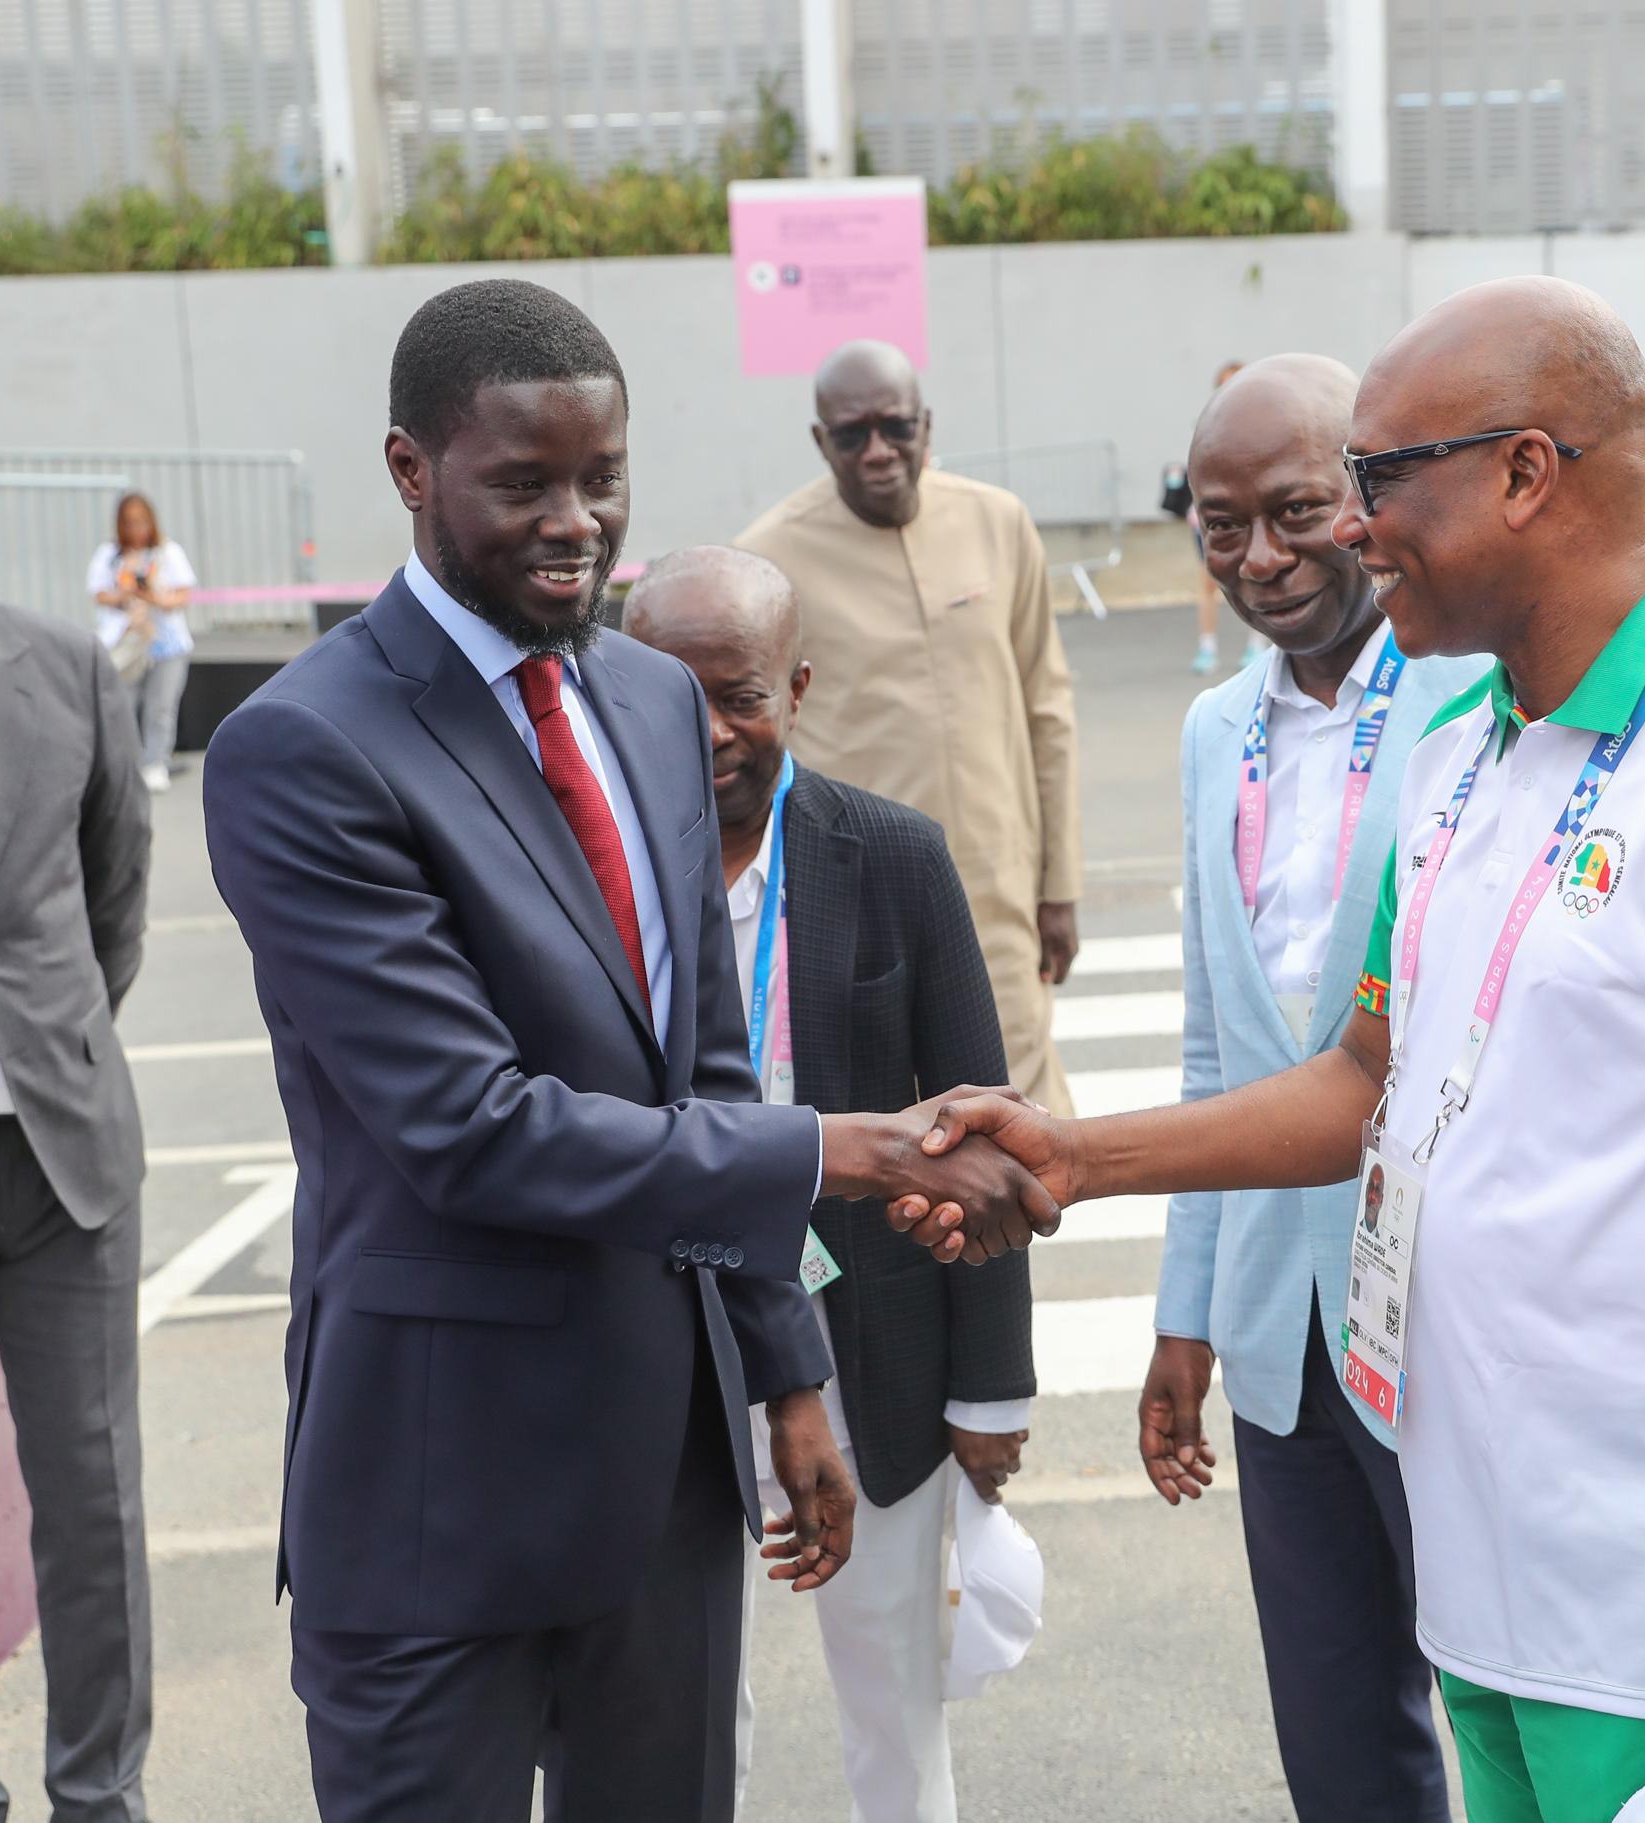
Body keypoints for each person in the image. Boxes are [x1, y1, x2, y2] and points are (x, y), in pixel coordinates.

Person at [898, 277, 1645, 1823]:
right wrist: (1080, 1155)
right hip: (1496, 1580)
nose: (1355, 527)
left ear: (1530, 473)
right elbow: (1365, 1079)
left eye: (1381, 480)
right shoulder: (1465, 758)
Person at [201, 280, 1054, 1822]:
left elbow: (704, 1065)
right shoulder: (303, 749)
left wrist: (789, 1369)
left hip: (666, 1473)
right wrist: (847, 1146)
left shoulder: (655, 698)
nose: (576, 521)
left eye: (602, 478)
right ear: (410, 469)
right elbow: (471, 1124)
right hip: (433, 1495)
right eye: (523, 481)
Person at [623, 547, 1038, 1823]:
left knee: (892, 1714)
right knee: (674, 1721)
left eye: (737, 692)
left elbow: (982, 1127)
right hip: (662, 1358)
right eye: (665, 693)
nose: (705, 729)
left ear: (796, 687)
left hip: (877, 1352)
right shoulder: (588, 874)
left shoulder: (890, 856)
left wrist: (990, 1384)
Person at [1146, 352, 1484, 1822]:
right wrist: (1186, 1311)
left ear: (1365, 496)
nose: (1260, 558)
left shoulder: (1480, 700)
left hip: (1459, 1311)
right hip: (1282, 1325)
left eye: (1292, 511)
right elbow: (1216, 1048)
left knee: (1503, 1697)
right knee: (1340, 1734)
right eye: (1222, 525)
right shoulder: (1214, 730)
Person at [737, 340, 1083, 1116]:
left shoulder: (1000, 524)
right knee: (882, 1124)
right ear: (821, 441)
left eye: (896, 427)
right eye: (852, 434)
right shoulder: (765, 564)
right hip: (856, 904)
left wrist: (1058, 888)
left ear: (926, 424)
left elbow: (1046, 712)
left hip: (996, 891)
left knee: (1018, 1128)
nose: (879, 452)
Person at [0, 593, 153, 1823]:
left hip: (55, 1147)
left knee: (93, 1502)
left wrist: (57, 1040)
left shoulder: (65, 660)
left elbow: (116, 888)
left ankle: (99, 1795)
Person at [88, 492, 196, 791]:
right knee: (124, 703)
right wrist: (126, 592)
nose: (136, 529)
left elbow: (183, 594)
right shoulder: (109, 555)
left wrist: (154, 595)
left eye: (141, 522)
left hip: (166, 643)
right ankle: (126, 765)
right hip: (126, 644)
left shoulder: (168, 552)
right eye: (130, 523)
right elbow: (99, 593)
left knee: (160, 706)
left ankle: (155, 762)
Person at [1188, 358, 1248, 675]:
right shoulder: (1207, 427)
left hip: (1251, 517)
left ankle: (1259, 646)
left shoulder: (1264, 424)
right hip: (1214, 520)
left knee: (1259, 576)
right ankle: (1207, 647)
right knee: (1209, 583)